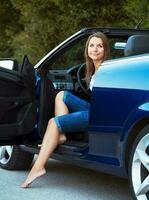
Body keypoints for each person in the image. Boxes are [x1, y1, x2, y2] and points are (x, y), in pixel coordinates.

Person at [21, 32, 110, 188]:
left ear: (105, 49)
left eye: (100, 46)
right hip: (94, 109)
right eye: (91, 45)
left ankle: (38, 167)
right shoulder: (93, 69)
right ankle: (60, 135)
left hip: (99, 115)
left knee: (53, 122)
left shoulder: (106, 70)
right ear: (87, 49)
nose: (95, 49)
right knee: (62, 95)